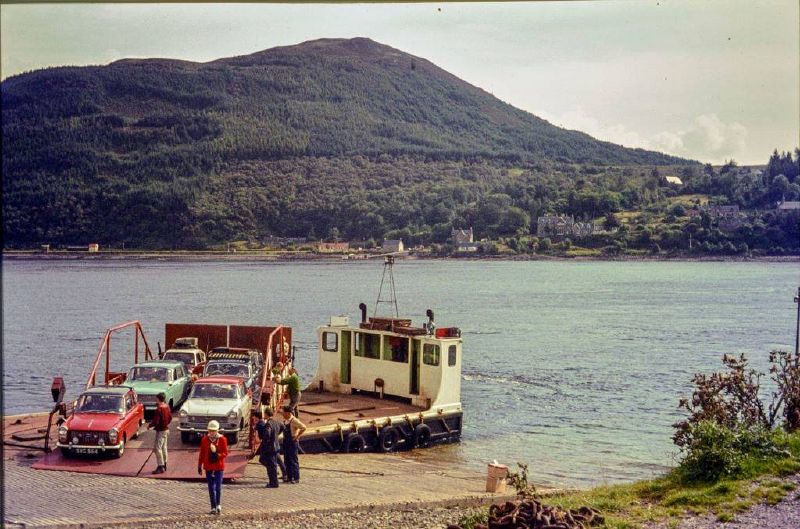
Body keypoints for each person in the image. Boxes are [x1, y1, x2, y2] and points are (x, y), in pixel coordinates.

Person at [198, 420, 228, 515]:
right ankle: (213, 507)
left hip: (219, 467)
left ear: (217, 430)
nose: (212, 432)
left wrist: (218, 455)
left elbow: (225, 452)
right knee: (211, 488)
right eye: (210, 430)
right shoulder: (205, 440)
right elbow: (202, 453)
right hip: (209, 466)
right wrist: (199, 465)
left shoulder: (222, 439)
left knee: (218, 487)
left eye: (214, 431)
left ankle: (218, 504)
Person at [255, 408, 283, 487]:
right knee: (272, 465)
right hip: (276, 446)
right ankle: (274, 482)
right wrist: (276, 435)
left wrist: (264, 440)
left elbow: (267, 434)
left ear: (266, 414)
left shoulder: (268, 424)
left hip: (270, 448)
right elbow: (282, 427)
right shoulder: (276, 422)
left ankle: (273, 483)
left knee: (271, 466)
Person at [281, 404, 306, 484]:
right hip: (286, 441)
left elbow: (303, 427)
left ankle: (296, 478)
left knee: (293, 460)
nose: (282, 414)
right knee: (286, 460)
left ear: (288, 413)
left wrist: (297, 436)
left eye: (283, 412)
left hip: (292, 442)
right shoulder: (285, 420)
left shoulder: (294, 420)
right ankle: (289, 476)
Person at [148, 392, 171, 474]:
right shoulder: (167, 406)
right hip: (166, 430)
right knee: (164, 447)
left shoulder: (159, 409)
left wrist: (149, 426)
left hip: (161, 431)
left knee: (157, 448)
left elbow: (156, 421)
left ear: (158, 399)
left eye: (156, 399)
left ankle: (160, 466)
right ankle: (165, 464)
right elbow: (170, 418)